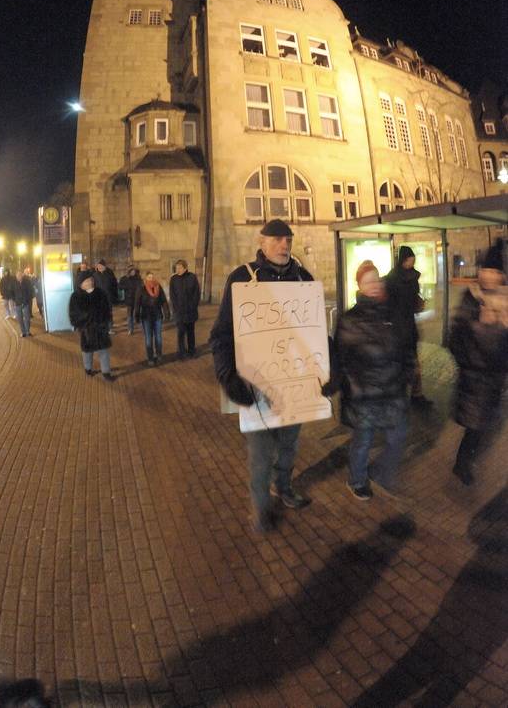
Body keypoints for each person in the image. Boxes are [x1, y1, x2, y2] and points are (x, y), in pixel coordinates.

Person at [210, 219, 312, 533]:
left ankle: (283, 486)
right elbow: (222, 335)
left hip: (293, 385)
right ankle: (261, 508)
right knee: (260, 453)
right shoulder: (241, 278)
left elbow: (314, 332)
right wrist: (228, 377)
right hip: (257, 387)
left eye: (288, 240)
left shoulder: (302, 277)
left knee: (289, 445)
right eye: (278, 239)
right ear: (263, 241)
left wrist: (326, 368)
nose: (284, 246)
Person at [329, 261, 412, 501]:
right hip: (364, 394)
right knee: (363, 441)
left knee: (397, 438)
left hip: (392, 389)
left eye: (377, 279)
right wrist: (342, 383)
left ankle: (379, 474)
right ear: (359, 286)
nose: (374, 285)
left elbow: (404, 347)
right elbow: (341, 358)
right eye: (368, 281)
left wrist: (406, 371)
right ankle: (356, 479)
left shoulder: (391, 313)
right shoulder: (350, 319)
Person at [448, 241, 508, 485]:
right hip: (474, 381)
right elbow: (455, 341)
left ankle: (463, 462)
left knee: (481, 427)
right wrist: (484, 326)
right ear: (480, 271)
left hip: (495, 380)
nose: (490, 276)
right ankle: (462, 464)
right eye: (487, 270)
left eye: (496, 272)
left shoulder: (505, 301)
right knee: (475, 427)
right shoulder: (471, 299)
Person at [385, 245, 432, 408]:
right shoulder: (391, 279)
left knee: (414, 363)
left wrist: (419, 303)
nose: (411, 263)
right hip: (397, 328)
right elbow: (389, 303)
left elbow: (413, 298)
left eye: (413, 260)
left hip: (409, 326)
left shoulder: (412, 276)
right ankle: (399, 395)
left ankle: (417, 395)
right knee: (400, 363)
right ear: (403, 260)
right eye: (409, 260)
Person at [69, 270, 116, 381]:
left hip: (100, 328)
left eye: (90, 280)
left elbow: (107, 309)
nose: (89, 282)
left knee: (103, 351)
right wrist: (82, 322)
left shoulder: (100, 293)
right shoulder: (76, 296)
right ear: (81, 283)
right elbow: (73, 314)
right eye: (86, 281)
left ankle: (106, 372)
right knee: (87, 351)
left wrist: (107, 321)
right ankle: (88, 369)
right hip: (86, 329)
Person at [135, 271, 170, 366]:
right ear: (146, 278)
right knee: (148, 339)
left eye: (152, 277)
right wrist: (136, 316)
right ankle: (150, 358)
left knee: (158, 337)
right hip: (146, 317)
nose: (151, 278)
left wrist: (167, 313)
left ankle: (159, 356)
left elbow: (164, 301)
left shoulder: (159, 287)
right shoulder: (141, 289)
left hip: (157, 316)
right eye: (149, 277)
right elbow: (137, 303)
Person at [170, 259, 200, 359]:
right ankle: (181, 353)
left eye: (180, 268)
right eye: (176, 268)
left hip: (191, 311)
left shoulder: (192, 277)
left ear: (185, 268)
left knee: (191, 332)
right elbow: (172, 296)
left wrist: (192, 306)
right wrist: (176, 309)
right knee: (180, 333)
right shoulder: (173, 279)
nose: (177, 270)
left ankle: (192, 351)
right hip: (179, 312)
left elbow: (197, 294)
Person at [94, 259, 119, 333]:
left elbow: (114, 285)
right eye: (98, 266)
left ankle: (110, 328)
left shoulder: (110, 274)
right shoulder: (95, 275)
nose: (100, 267)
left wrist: (114, 296)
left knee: (109, 313)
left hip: (108, 297)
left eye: (101, 266)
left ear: (104, 266)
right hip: (99, 297)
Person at [118, 266, 142, 334]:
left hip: (137, 299)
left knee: (137, 312)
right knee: (129, 314)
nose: (133, 272)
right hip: (129, 299)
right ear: (129, 271)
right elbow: (119, 287)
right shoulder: (124, 278)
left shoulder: (138, 278)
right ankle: (130, 329)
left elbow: (141, 286)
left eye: (134, 271)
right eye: (131, 271)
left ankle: (140, 325)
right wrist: (126, 287)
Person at [12, 270, 33, 337]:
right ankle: (23, 332)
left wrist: (27, 300)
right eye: (17, 276)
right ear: (16, 276)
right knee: (20, 319)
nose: (19, 277)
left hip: (25, 303)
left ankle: (28, 331)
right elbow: (11, 292)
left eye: (20, 275)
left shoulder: (26, 282)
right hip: (18, 304)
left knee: (27, 318)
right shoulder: (14, 283)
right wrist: (15, 300)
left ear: (22, 276)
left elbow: (30, 291)